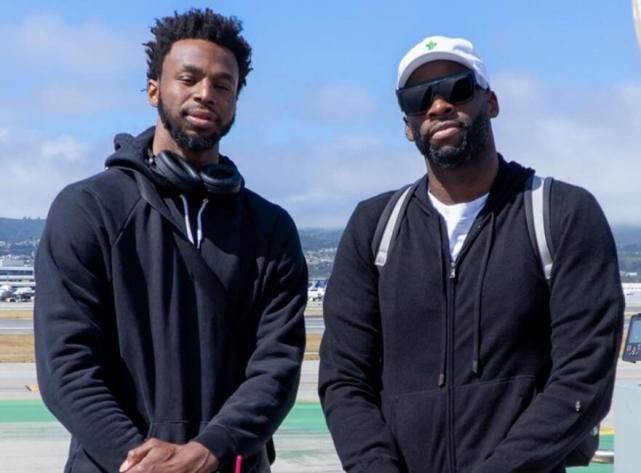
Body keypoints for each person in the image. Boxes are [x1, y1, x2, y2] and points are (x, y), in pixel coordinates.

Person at [318, 35, 623, 473]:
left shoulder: (562, 213)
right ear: (407, 125)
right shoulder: (373, 227)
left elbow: (583, 377)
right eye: (418, 98)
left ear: (491, 102)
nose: (438, 106)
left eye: (457, 88)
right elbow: (345, 379)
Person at [34, 9, 307, 473]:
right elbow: (67, 365)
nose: (206, 93)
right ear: (153, 89)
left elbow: (277, 366)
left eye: (223, 85)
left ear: (236, 101)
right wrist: (140, 461)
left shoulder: (271, 228)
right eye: (189, 78)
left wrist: (210, 450)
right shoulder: (87, 210)